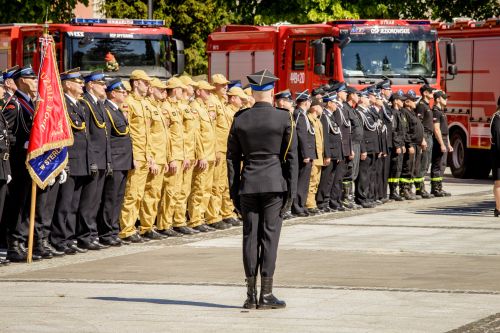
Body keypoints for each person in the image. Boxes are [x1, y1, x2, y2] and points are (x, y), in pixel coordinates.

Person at [227, 69, 297, 309]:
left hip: (248, 184)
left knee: (249, 237)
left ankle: (250, 296)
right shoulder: (284, 117)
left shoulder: (240, 118)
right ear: (272, 92)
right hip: (274, 184)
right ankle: (266, 295)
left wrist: (234, 191)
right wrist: (291, 192)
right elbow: (291, 158)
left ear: (253, 92)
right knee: (269, 237)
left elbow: (232, 159)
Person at [51, 68, 92, 255]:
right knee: (64, 204)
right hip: (70, 160)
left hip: (81, 160)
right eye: (78, 82)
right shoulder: (63, 104)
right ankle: (59, 238)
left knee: (74, 204)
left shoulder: (79, 105)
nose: (81, 84)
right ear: (67, 84)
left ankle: (69, 237)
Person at [119, 70, 154, 243]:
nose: (148, 86)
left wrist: (150, 155)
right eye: (145, 82)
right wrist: (131, 154)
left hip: (145, 154)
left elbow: (148, 133)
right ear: (136, 83)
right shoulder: (128, 103)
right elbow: (127, 132)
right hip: (136, 154)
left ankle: (135, 227)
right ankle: (126, 229)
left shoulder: (145, 104)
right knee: (131, 194)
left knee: (140, 194)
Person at [97, 78, 133, 246]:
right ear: (112, 93)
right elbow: (107, 140)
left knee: (118, 198)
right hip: (116, 160)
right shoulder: (107, 110)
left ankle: (113, 230)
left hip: (124, 160)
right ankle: (106, 233)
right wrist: (109, 161)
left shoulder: (117, 110)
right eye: (121, 91)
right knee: (110, 199)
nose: (124, 93)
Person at [291, 90, 314, 217]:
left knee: (305, 182)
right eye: (309, 101)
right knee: (301, 182)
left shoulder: (303, 114)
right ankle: (297, 206)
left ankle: (301, 204)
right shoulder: (299, 114)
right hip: (303, 154)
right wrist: (305, 154)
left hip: (308, 153)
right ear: (305, 102)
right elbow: (301, 135)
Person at [430, 90, 453, 197]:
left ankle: (439, 187)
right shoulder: (436, 111)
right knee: (437, 164)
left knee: (442, 165)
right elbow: (436, 129)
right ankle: (435, 188)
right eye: (444, 98)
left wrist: (448, 144)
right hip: (439, 140)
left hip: (444, 139)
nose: (446, 99)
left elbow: (445, 130)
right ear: (438, 99)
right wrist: (442, 144)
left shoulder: (442, 111)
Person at [415, 84, 434, 199]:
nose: (432, 93)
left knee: (426, 163)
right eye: (430, 91)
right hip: (425, 136)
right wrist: (422, 139)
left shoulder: (427, 105)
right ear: (425, 93)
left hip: (429, 136)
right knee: (423, 163)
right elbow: (419, 123)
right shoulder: (421, 106)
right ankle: (419, 189)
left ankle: (421, 188)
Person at [491, 97, 500, 217]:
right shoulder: (497, 117)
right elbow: (498, 137)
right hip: (498, 154)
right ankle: (498, 208)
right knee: (498, 183)